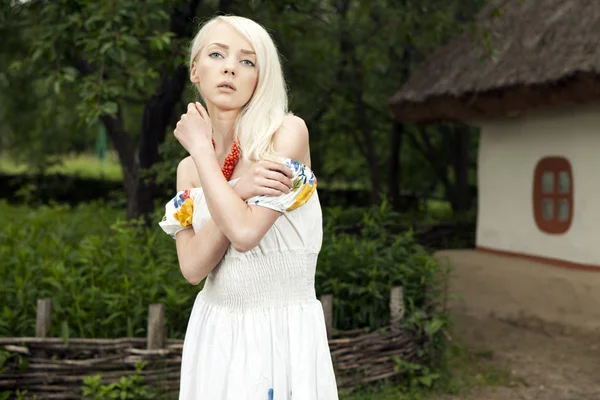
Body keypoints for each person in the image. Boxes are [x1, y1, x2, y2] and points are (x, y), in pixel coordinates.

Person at [158, 15, 339, 400]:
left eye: (247, 60)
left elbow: (243, 234)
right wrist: (238, 188)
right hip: (215, 330)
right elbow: (192, 269)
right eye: (217, 54)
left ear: (261, 76)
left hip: (281, 331)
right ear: (195, 70)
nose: (229, 67)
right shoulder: (189, 169)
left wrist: (203, 154)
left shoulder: (285, 134)